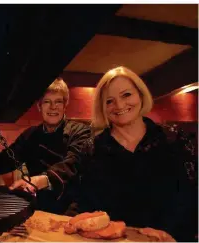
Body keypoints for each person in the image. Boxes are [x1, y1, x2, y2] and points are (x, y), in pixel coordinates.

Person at [75, 66, 197, 241]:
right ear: (102, 107)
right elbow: (85, 205)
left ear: (140, 94)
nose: (119, 105)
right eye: (109, 101)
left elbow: (191, 196)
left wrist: (171, 234)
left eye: (126, 95)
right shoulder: (92, 149)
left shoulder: (175, 140)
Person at [0, 77, 91, 214]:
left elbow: (73, 163)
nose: (53, 107)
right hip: (41, 207)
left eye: (58, 102)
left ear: (65, 104)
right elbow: (8, 159)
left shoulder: (80, 131)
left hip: (73, 209)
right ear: (39, 106)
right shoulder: (31, 135)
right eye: (47, 102)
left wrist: (43, 179)